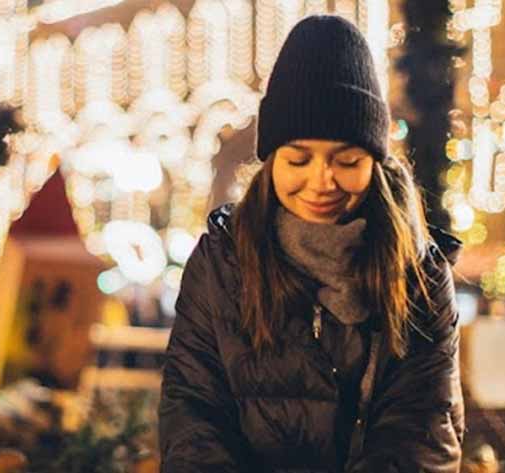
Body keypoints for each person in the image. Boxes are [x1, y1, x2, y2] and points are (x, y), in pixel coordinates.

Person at [158, 15, 464, 472]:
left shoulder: (418, 273)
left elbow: (420, 433)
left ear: (375, 163)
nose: (321, 181)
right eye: (298, 159)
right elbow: (194, 417)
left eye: (347, 160)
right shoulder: (222, 262)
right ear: (271, 162)